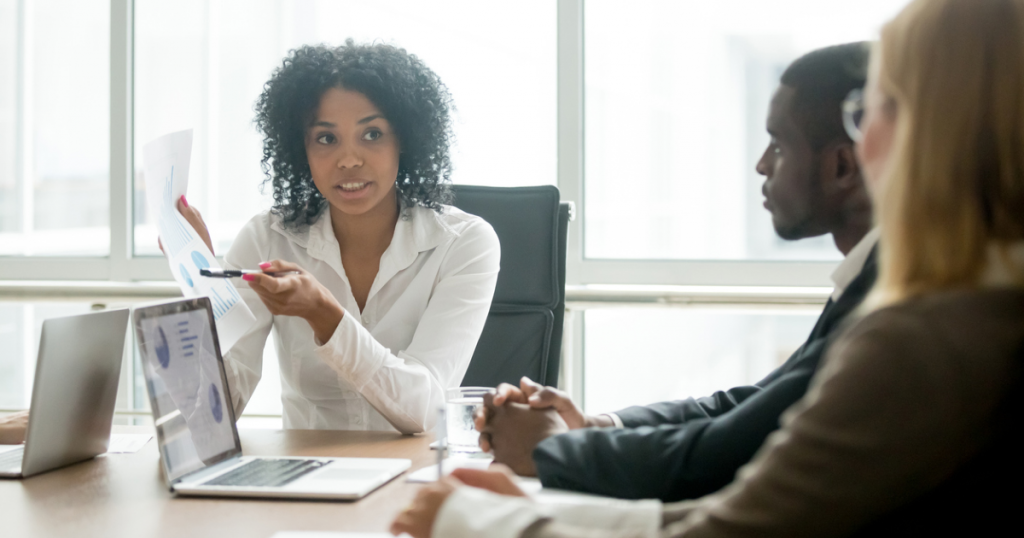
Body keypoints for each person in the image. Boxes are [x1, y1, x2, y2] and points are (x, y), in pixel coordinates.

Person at [391, 0, 1024, 535]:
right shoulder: (969, 301)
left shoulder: (930, 331)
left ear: (934, 131)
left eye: (873, 110)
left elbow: (734, 517)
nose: (864, 140)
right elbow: (767, 451)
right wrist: (572, 461)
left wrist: (485, 519)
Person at [476, 42, 875, 502]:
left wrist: (555, 449)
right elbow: (752, 406)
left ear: (842, 165)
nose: (762, 164)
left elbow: (723, 455)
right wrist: (598, 425)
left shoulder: (887, 298)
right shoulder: (868, 277)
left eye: (779, 144)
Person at [173, 41, 500, 434]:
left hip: (416, 480)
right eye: (326, 139)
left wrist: (325, 315)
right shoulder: (267, 238)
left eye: (372, 134)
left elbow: (425, 409)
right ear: (302, 149)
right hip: (305, 479)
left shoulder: (463, 243)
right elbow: (212, 415)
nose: (348, 159)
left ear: (405, 141)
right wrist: (206, 287)